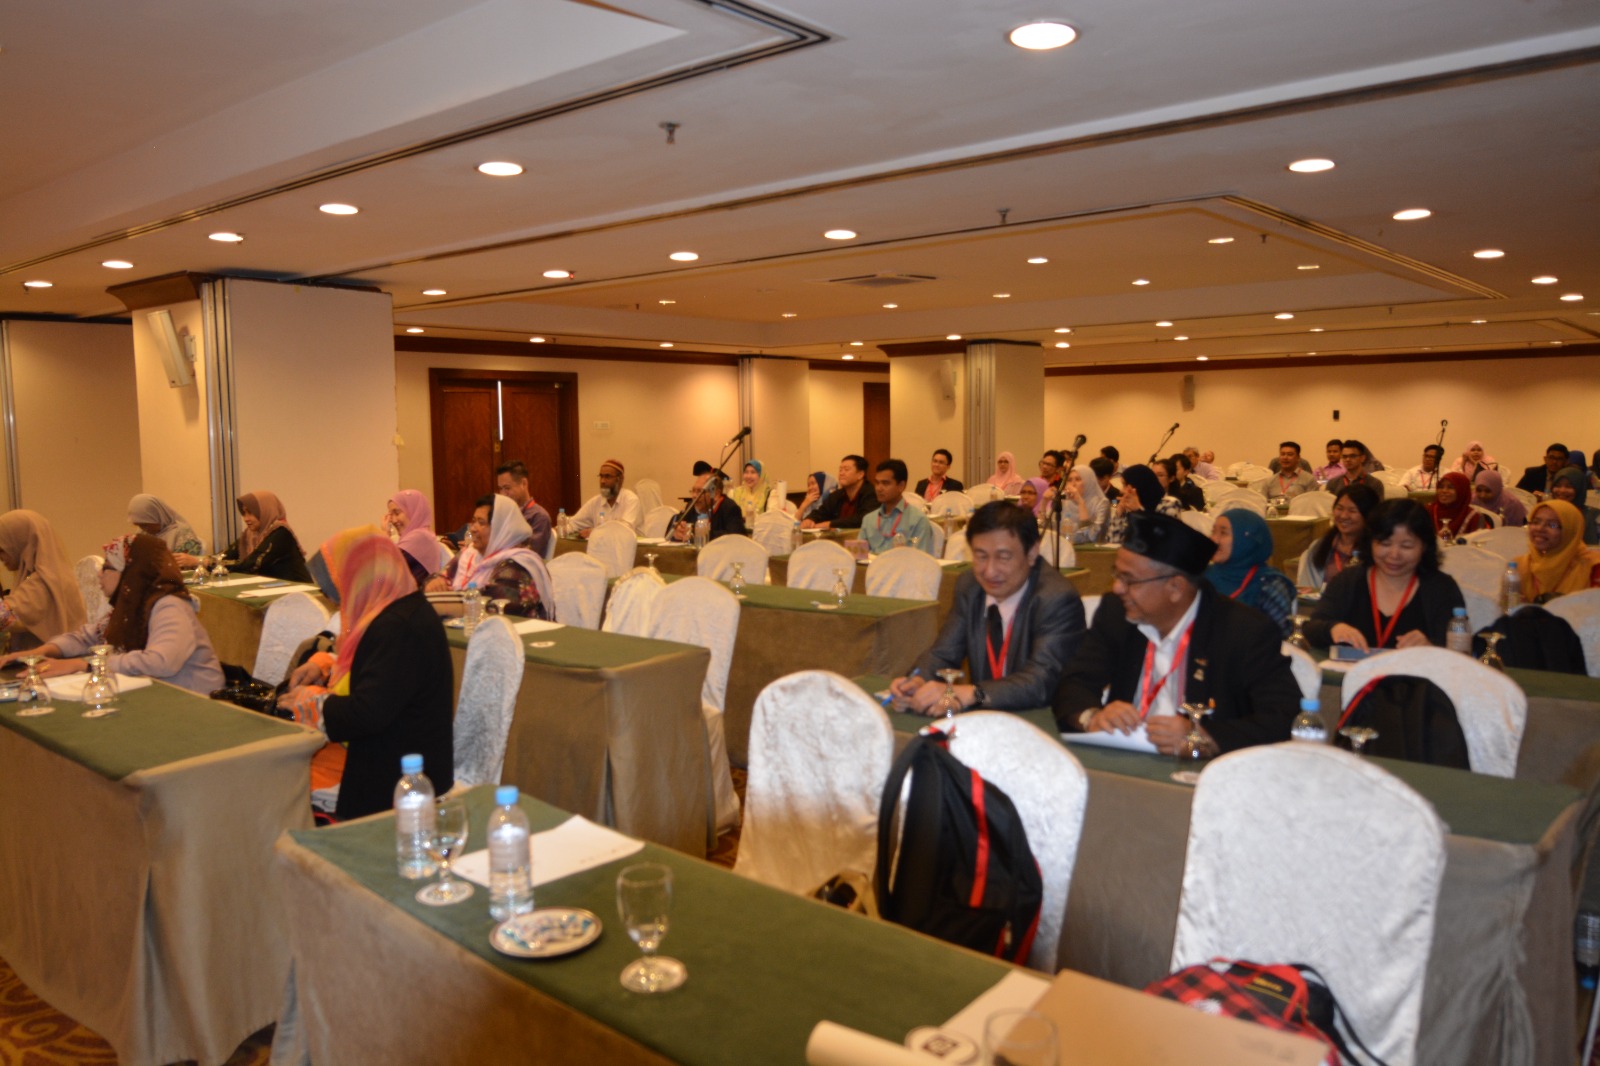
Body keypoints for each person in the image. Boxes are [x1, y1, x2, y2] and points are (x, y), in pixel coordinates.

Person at [1058, 511, 1300, 755]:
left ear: (1175, 587)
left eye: (1129, 579)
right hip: (1123, 758)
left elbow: (1285, 716)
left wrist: (1203, 737)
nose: (1117, 588)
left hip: (1203, 770)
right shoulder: (1116, 612)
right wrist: (1092, 717)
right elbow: (1074, 681)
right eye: (1116, 574)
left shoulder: (1243, 630)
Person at [281, 527, 454, 821]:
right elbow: (380, 674)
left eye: (342, 588)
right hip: (396, 762)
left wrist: (313, 704)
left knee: (279, 785)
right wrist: (327, 665)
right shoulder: (400, 609)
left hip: (397, 785)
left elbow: (367, 712)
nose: (341, 601)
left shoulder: (398, 628)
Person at [890, 502, 1085, 713]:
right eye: (981, 556)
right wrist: (918, 681)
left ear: (1032, 553)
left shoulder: (1056, 598)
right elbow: (943, 654)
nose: (990, 571)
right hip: (985, 718)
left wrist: (973, 694)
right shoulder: (970, 586)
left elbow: (1041, 682)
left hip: (1040, 720)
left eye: (1003, 557)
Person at [14, 534, 223, 694]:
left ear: (130, 573)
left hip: (193, 699)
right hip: (157, 694)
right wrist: (41, 652)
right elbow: (87, 637)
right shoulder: (130, 607)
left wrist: (85, 665)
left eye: (107, 568)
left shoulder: (169, 606)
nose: (99, 574)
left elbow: (161, 661)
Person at [1305, 499, 1465, 651]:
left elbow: (1459, 650)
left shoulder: (1441, 588)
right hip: (1353, 670)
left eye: (1406, 546)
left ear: (1424, 547)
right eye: (1385, 544)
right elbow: (1312, 627)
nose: (1394, 555)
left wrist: (1431, 648)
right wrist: (1332, 628)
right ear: (1370, 543)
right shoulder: (1348, 580)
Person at [428, 495, 554, 619]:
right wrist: (435, 583)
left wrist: (444, 602)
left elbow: (493, 603)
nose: (473, 529)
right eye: (474, 521)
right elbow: (439, 577)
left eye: (481, 523)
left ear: (501, 528)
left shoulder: (517, 564)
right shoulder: (469, 554)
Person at [0, 510, 87, 652]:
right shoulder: (52, 574)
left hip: (50, 662)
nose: (1, 558)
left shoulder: (44, 582)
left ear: (20, 542)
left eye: (2, 550)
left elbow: (6, 616)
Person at [1206, 508, 1298, 638]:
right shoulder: (1203, 575)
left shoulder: (1269, 584)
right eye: (1213, 531)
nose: (1214, 540)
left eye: (1223, 533)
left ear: (1246, 540)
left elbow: (1280, 637)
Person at [1299, 484, 1380, 590]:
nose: (1343, 516)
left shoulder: (1377, 551)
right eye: (1339, 508)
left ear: (1369, 515)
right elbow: (1306, 590)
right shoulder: (1319, 547)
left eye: (1352, 511)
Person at [1518, 501, 1600, 602]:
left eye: (1552, 525)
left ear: (1570, 530)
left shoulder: (1593, 567)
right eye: (1535, 522)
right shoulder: (1521, 566)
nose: (1539, 528)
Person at [223, 491, 313, 582]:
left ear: (265, 511)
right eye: (244, 513)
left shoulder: (281, 532)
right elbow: (226, 556)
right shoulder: (250, 535)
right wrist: (216, 563)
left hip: (297, 588)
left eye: (250, 513)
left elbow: (253, 563)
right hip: (271, 587)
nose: (246, 518)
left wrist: (222, 567)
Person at [862, 459, 934, 555]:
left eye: (885, 483)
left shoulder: (918, 520)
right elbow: (859, 556)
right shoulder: (868, 519)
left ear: (901, 486)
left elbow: (920, 558)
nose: (879, 488)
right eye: (877, 483)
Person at [385, 489, 448, 587]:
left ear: (414, 512)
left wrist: (384, 535)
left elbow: (385, 571)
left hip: (413, 596)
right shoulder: (420, 536)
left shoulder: (420, 537)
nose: (393, 520)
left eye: (397, 513)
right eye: (391, 515)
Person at [1105, 464, 1181, 544]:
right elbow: (1113, 542)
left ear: (1138, 485)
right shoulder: (1128, 506)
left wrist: (1139, 511)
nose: (1122, 490)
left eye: (1125, 485)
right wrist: (1119, 514)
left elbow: (1161, 540)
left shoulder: (1169, 504)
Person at [568, 459, 641, 537]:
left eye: (607, 477)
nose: (602, 481)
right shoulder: (595, 502)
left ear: (620, 479)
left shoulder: (631, 499)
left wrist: (594, 532)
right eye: (601, 476)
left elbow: (625, 529)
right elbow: (573, 524)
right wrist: (561, 529)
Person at [495, 461, 553, 557]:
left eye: (507, 488)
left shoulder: (539, 516)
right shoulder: (505, 514)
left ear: (524, 483)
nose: (503, 494)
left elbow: (528, 553)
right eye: (500, 488)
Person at [668, 475, 746, 543]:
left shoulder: (730, 508)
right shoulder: (691, 505)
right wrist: (677, 533)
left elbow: (734, 536)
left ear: (716, 494)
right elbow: (670, 532)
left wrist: (697, 533)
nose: (694, 496)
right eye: (693, 491)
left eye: (700, 491)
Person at [127, 494, 204, 562]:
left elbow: (184, 565)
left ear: (158, 517)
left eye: (146, 525)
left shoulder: (182, 534)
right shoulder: (142, 533)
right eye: (140, 525)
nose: (144, 529)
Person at [802, 455, 871, 531]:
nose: (841, 473)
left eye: (846, 469)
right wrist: (809, 519)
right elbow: (821, 512)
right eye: (840, 470)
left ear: (860, 474)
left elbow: (863, 519)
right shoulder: (836, 495)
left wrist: (830, 524)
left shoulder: (871, 494)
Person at [1059, 464, 1109, 542]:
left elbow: (1092, 537)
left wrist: (1081, 503)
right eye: (1069, 480)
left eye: (1078, 479)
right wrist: (1044, 502)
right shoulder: (1065, 502)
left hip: (1090, 548)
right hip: (1066, 546)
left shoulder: (1101, 503)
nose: (1073, 484)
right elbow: (1051, 530)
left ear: (1088, 481)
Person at [1428, 471, 1485, 539]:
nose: (1444, 491)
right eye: (1441, 487)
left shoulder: (1474, 516)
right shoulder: (1428, 511)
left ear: (1461, 491)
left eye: (1450, 487)